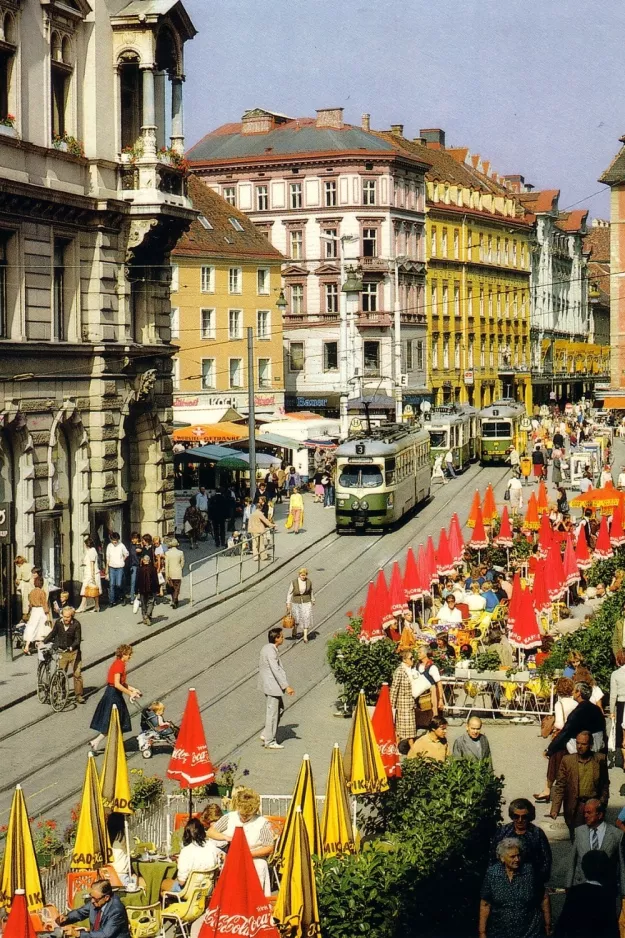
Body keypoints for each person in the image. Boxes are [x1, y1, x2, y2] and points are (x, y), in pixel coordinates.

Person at [206, 788, 275, 896]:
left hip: (254, 858)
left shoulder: (262, 823)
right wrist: (225, 837)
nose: (244, 818)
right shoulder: (229, 817)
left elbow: (269, 847)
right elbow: (211, 832)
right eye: (242, 815)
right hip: (233, 857)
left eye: (247, 815)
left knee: (260, 866)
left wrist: (247, 854)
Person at [479, 838, 551, 938]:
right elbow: (485, 904)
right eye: (512, 856)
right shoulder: (492, 874)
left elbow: (544, 897)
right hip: (501, 932)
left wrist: (548, 926)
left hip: (531, 931)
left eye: (518, 855)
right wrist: (482, 932)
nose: (517, 859)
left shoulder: (530, 871)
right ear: (502, 858)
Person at [566, 800, 625, 910]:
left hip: (606, 892)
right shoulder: (579, 832)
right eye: (584, 813)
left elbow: (622, 866)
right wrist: (568, 886)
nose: (585, 816)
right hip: (581, 889)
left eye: (589, 813)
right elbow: (572, 862)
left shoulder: (616, 835)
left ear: (600, 815)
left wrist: (623, 893)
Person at [549, 731, 609, 837]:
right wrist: (555, 808)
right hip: (575, 807)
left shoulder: (600, 759)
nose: (579, 747)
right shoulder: (568, 760)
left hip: (593, 806)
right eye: (578, 743)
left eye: (584, 744)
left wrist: (602, 803)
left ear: (590, 745)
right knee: (577, 838)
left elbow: (604, 783)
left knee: (593, 837)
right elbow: (560, 785)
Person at [554, 848, 620, 938]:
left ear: (584, 869)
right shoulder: (607, 895)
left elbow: (563, 922)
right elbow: (611, 927)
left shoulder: (575, 891)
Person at [90, 644, 141, 753]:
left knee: (115, 721)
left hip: (114, 694)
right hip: (113, 695)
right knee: (115, 721)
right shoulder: (119, 665)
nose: (130, 657)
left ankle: (97, 742)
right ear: (123, 654)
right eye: (129, 654)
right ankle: (116, 748)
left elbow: (122, 683)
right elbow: (117, 684)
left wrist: (134, 689)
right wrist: (130, 694)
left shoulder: (119, 663)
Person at [535, 677, 577, 803]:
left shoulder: (559, 704)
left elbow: (559, 724)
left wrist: (553, 727)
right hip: (573, 737)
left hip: (561, 738)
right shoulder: (576, 703)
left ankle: (547, 790)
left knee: (553, 764)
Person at [491, 800, 552, 884]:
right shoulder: (503, 831)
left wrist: (539, 881)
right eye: (516, 816)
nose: (520, 820)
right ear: (512, 816)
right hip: (506, 879)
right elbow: (494, 855)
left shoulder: (537, 833)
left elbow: (546, 860)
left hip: (531, 879)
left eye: (524, 817)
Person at [545, 682, 606, 758]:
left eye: (574, 691)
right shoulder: (596, 709)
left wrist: (550, 749)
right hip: (597, 746)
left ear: (578, 693)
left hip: (580, 749)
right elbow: (603, 729)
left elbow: (566, 731)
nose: (572, 693)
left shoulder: (578, 712)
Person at [258, 627, 294, 750]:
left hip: (269, 685)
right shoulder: (271, 651)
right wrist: (286, 686)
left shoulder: (266, 648)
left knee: (279, 709)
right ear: (276, 638)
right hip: (272, 686)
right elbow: (275, 669)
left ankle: (266, 734)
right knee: (273, 713)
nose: (283, 638)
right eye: (281, 636)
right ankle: (270, 741)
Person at [57, 879, 130, 938]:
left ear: (106, 897)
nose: (92, 901)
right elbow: (80, 913)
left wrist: (78, 934)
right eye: (91, 897)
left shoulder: (116, 910)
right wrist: (67, 918)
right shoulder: (96, 902)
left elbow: (104, 935)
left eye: (95, 898)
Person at [167, 818, 220, 892]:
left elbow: (181, 882)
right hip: (208, 889)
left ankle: (169, 902)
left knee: (163, 884)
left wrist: (180, 863)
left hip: (190, 891)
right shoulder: (212, 846)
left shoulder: (186, 851)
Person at [46, 606, 84, 703]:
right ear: (62, 615)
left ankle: (79, 695)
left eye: (68, 617)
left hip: (74, 653)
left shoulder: (76, 624)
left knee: (77, 674)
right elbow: (53, 633)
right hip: (62, 652)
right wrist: (43, 641)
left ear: (72, 616)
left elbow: (77, 639)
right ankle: (62, 692)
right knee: (61, 674)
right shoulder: (58, 622)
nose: (66, 619)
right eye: (65, 616)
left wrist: (72, 647)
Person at [390, 650, 417, 749]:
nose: (413, 659)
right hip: (402, 704)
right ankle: (406, 747)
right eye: (411, 658)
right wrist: (391, 705)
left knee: (409, 728)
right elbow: (394, 688)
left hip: (410, 703)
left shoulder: (411, 670)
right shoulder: (400, 671)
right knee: (402, 729)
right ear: (404, 660)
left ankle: (406, 747)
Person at [414, 643, 444, 728]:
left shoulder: (432, 667)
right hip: (420, 693)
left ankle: (434, 729)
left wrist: (440, 699)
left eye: (420, 652)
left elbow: (439, 683)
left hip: (431, 693)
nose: (418, 654)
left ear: (425, 654)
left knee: (433, 712)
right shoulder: (417, 665)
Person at [23, 577, 52, 655]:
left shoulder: (31, 592)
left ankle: (27, 646)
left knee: (32, 627)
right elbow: (44, 604)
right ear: (41, 584)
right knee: (42, 628)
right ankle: (40, 645)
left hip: (34, 611)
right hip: (40, 611)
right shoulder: (42, 592)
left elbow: (30, 604)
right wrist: (48, 615)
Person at [286, 567, 315, 642]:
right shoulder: (294, 582)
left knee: (306, 617)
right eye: (302, 575)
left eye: (304, 575)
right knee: (297, 618)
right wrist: (288, 603)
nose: (303, 577)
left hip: (306, 602)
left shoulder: (309, 582)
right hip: (296, 602)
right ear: (299, 575)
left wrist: (312, 599)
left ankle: (305, 637)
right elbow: (290, 593)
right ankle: (294, 629)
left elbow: (311, 591)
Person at [77, 536, 101, 613]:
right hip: (91, 573)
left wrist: (92, 576)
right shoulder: (92, 551)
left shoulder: (91, 551)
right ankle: (97, 606)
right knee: (95, 590)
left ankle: (82, 607)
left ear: (87, 545)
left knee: (85, 590)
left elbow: (92, 564)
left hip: (90, 574)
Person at [105, 533, 128, 608]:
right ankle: (111, 601)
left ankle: (122, 597)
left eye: (116, 540)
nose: (114, 541)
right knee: (111, 584)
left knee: (119, 584)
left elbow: (126, 554)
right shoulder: (109, 546)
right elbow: (107, 558)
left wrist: (122, 560)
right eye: (113, 540)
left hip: (119, 567)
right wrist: (106, 569)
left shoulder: (121, 545)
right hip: (111, 567)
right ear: (111, 539)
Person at [136, 554, 159, 626]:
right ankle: (148, 615)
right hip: (151, 589)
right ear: (149, 561)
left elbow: (137, 580)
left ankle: (144, 617)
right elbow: (155, 580)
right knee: (151, 603)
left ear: (143, 561)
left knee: (143, 604)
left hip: (142, 590)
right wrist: (157, 589)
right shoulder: (153, 569)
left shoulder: (140, 569)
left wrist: (136, 590)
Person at [164, 538, 185, 609]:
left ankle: (174, 600)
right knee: (177, 587)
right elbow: (182, 563)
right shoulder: (180, 552)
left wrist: (167, 575)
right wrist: (180, 568)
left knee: (171, 587)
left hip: (170, 572)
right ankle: (175, 600)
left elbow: (166, 565)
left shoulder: (167, 553)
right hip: (178, 572)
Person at [14, 555, 34, 620]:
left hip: (26, 587)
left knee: (26, 602)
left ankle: (26, 617)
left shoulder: (21, 568)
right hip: (33, 586)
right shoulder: (31, 565)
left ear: (18, 563)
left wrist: (16, 583)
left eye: (17, 564)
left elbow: (18, 580)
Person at [127, 532, 142, 605]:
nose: (133, 540)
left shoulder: (141, 545)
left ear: (138, 538)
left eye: (134, 538)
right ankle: (132, 598)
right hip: (133, 565)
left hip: (141, 566)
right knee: (133, 581)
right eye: (132, 538)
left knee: (140, 582)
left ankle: (141, 597)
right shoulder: (130, 546)